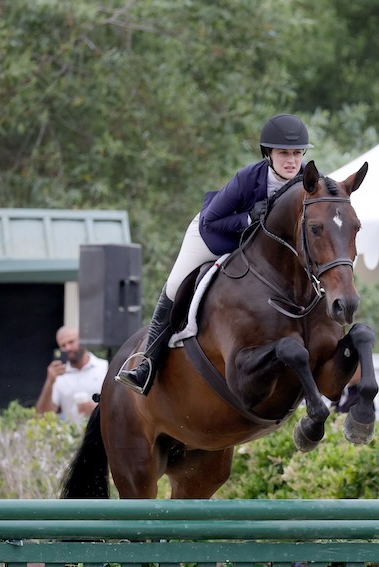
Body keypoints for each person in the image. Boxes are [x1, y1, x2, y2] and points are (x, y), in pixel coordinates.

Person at [116, 113, 312, 394]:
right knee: (174, 287)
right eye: (283, 153)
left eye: (297, 153)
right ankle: (146, 364)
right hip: (214, 237)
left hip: (259, 249)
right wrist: (248, 219)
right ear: (268, 154)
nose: (292, 161)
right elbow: (212, 219)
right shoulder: (248, 178)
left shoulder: (308, 180)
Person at [36, 325, 108, 424]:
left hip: (100, 435)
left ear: (82, 340)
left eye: (71, 342)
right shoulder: (59, 374)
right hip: (72, 436)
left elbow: (118, 407)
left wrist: (96, 410)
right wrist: (49, 382)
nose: (68, 348)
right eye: (63, 346)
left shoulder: (104, 367)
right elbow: (43, 415)